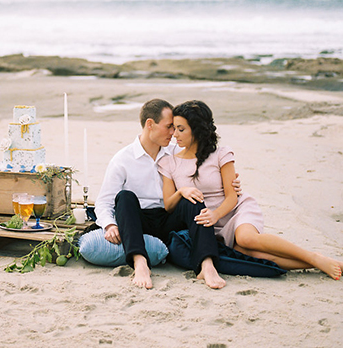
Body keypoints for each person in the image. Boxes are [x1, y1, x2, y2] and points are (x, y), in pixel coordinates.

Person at [158, 100, 343, 281]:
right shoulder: (169, 162)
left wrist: (215, 214)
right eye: (174, 128)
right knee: (251, 254)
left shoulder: (221, 154)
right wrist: (182, 190)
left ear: (197, 130)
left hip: (233, 211)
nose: (175, 134)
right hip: (207, 224)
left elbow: (232, 196)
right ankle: (316, 264)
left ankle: (315, 257)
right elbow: (168, 205)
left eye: (181, 129)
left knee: (246, 239)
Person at [95, 98, 238, 289]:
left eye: (175, 128)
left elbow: (207, 168)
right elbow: (104, 201)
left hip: (170, 216)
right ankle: (140, 263)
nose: (173, 133)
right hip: (138, 220)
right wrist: (109, 225)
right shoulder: (122, 159)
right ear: (150, 125)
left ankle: (207, 265)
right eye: (169, 126)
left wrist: (232, 182)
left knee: (193, 197)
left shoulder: (175, 152)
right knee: (125, 197)